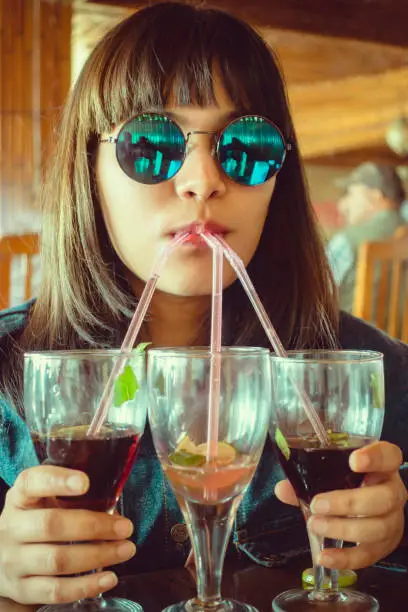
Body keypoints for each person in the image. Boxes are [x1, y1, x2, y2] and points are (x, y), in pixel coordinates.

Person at [0, 3, 407, 607]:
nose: (202, 180)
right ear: (89, 168)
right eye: (151, 142)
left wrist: (395, 535)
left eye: (245, 145)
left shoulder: (372, 370)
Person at [327, 162, 407, 313]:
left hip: (354, 335)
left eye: (350, 194)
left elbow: (311, 298)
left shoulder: (346, 241)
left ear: (376, 196)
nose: (343, 205)